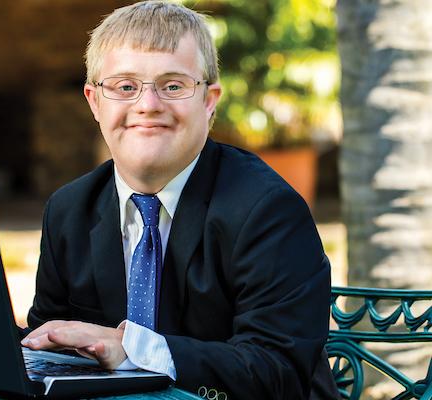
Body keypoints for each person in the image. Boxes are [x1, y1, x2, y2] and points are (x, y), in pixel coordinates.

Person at [21, 1, 339, 399]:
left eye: (172, 86)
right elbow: (44, 347)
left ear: (209, 100)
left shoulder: (267, 210)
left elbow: (277, 372)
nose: (148, 105)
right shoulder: (68, 210)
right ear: (94, 101)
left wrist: (134, 349)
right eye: (124, 87)